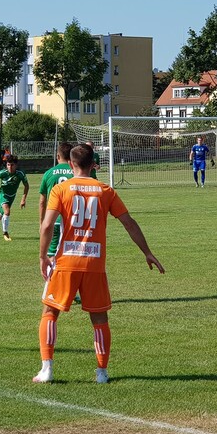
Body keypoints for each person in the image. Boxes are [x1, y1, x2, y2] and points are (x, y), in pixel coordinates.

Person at [34, 144, 164, 384]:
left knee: (50, 312)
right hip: (95, 264)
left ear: (71, 164)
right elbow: (129, 222)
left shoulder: (61, 189)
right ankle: (102, 373)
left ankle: (47, 369)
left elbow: (46, 225)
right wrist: (147, 252)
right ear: (93, 164)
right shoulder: (105, 190)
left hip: (66, 262)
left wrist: (43, 257)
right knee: (100, 319)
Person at [39, 142, 74, 263]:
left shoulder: (48, 173)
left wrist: (42, 223)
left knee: (52, 255)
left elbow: (42, 202)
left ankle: (51, 281)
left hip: (54, 220)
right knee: (72, 254)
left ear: (58, 156)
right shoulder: (76, 172)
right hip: (73, 221)